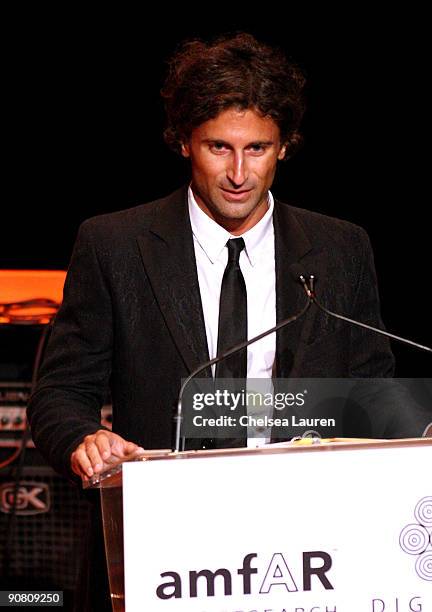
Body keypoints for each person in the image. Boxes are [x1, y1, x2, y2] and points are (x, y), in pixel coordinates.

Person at [28, 32, 431, 483]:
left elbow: (371, 390)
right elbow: (60, 393)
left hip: (305, 520)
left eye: (256, 149)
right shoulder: (114, 245)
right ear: (184, 142)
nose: (238, 174)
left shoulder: (341, 248)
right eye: (219, 147)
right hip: (164, 520)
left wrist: (419, 428)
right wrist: (84, 439)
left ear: (283, 146)